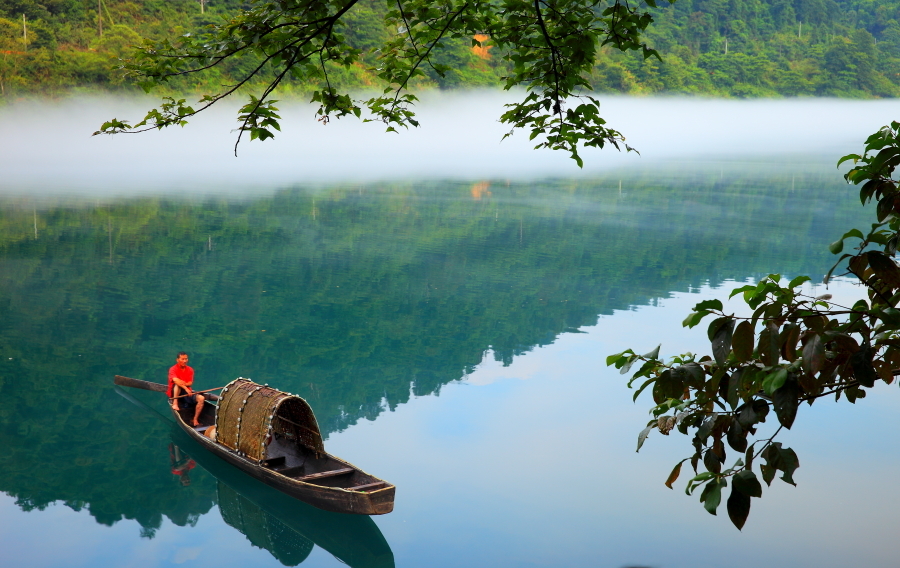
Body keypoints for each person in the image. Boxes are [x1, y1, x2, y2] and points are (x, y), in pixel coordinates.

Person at [168, 351, 205, 427]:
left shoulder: (190, 369)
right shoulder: (173, 369)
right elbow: (175, 380)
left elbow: (190, 383)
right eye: (182, 359)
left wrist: (183, 383)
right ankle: (175, 403)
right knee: (177, 385)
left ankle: (195, 419)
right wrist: (184, 386)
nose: (185, 361)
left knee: (201, 398)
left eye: (186, 359)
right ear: (177, 360)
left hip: (186, 392)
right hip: (175, 392)